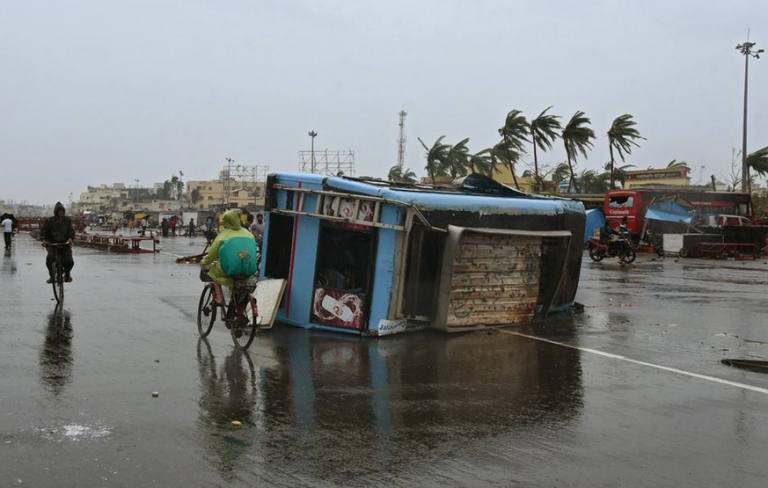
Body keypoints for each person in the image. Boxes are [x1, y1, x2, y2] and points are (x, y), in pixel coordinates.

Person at [201, 210, 258, 305]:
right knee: (240, 283)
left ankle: (219, 299)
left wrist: (204, 261)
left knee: (213, 273)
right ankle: (237, 307)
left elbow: (212, 255)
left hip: (229, 270)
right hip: (249, 269)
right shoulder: (249, 234)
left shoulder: (223, 235)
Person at [41, 202, 76, 283]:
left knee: (69, 261)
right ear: (56, 211)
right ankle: (52, 276)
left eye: (62, 211)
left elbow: (71, 230)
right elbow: (44, 231)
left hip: (65, 244)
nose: (61, 212)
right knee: (50, 259)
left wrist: (71, 238)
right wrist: (44, 240)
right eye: (59, 211)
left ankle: (67, 274)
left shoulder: (67, 220)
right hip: (52, 244)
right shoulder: (50, 220)